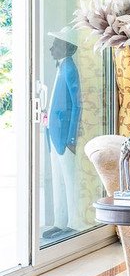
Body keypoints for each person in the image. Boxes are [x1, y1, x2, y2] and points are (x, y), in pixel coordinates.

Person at [46, 27, 83, 232]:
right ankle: (59, 221)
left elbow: (77, 105)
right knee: (57, 178)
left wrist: (71, 137)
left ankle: (73, 222)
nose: (51, 49)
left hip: (64, 135)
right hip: (53, 132)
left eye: (56, 45)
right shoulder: (61, 67)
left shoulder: (69, 68)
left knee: (68, 179)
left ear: (67, 48)